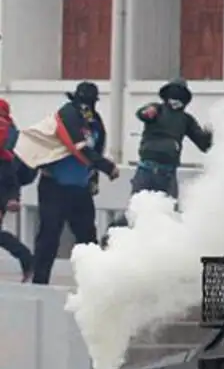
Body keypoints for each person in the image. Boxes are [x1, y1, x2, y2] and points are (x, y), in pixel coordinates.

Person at [12, 82, 119, 284]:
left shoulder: (95, 122)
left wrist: (94, 179)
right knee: (49, 236)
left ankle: (93, 283)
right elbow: (78, 147)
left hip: (80, 188)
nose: (87, 108)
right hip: (54, 187)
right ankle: (40, 281)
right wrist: (107, 167)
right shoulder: (66, 115)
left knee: (87, 238)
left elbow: (96, 149)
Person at [103, 78, 212, 242]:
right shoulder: (157, 110)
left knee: (167, 215)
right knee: (136, 213)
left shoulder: (186, 120)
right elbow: (142, 113)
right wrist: (148, 112)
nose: (176, 100)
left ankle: (156, 251)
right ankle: (114, 235)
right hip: (147, 170)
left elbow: (203, 144)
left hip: (168, 173)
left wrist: (211, 132)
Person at [0, 98, 33, 282]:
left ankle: (27, 259)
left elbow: (11, 172)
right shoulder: (13, 131)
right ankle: (27, 259)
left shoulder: (8, 133)